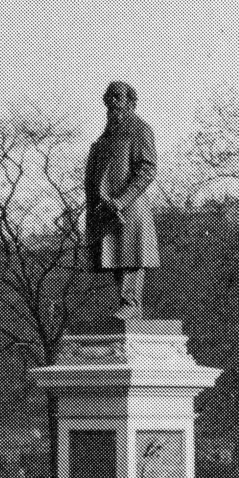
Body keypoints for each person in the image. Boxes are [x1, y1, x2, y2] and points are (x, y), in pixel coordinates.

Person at [84, 81, 159, 319]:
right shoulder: (106, 135)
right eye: (109, 97)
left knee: (131, 255)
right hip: (107, 209)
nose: (112, 101)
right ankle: (126, 304)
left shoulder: (139, 129)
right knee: (116, 257)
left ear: (130, 101)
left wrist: (122, 200)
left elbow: (147, 169)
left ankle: (132, 304)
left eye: (118, 96)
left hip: (130, 207)